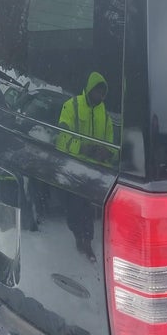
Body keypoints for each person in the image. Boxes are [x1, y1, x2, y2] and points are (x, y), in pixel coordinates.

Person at [56, 72, 116, 261]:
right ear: (90, 88)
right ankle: (76, 234)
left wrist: (107, 153)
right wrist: (83, 147)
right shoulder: (71, 106)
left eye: (102, 92)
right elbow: (61, 138)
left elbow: (112, 145)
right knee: (74, 207)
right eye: (97, 90)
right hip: (73, 167)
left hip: (94, 171)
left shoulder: (105, 115)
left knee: (87, 209)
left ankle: (87, 242)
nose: (99, 95)